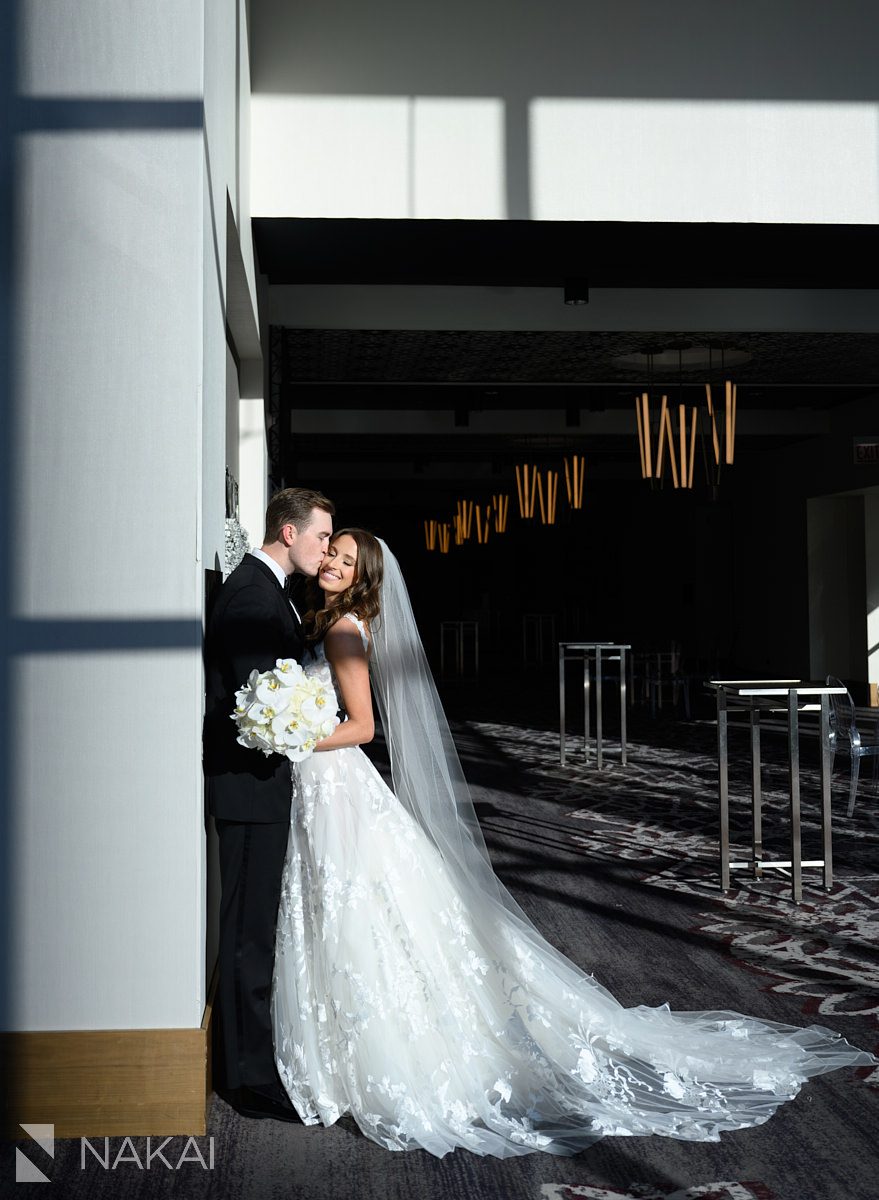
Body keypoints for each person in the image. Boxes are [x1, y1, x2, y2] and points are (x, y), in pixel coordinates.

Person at [271, 530, 876, 1156]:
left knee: (356, 908)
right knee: (359, 908)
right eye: (333, 554)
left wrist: (288, 734)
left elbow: (364, 726)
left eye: (348, 559)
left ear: (366, 573)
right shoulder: (344, 622)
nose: (335, 565)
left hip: (334, 780)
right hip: (333, 788)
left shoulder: (345, 629)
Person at [204, 487, 334, 1121]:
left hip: (259, 787)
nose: (325, 548)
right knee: (247, 934)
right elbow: (260, 707)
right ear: (289, 532)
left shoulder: (264, 588)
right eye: (319, 537)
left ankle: (252, 1064)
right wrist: (299, 726)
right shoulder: (252, 594)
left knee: (256, 928)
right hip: (249, 787)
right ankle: (249, 1080)